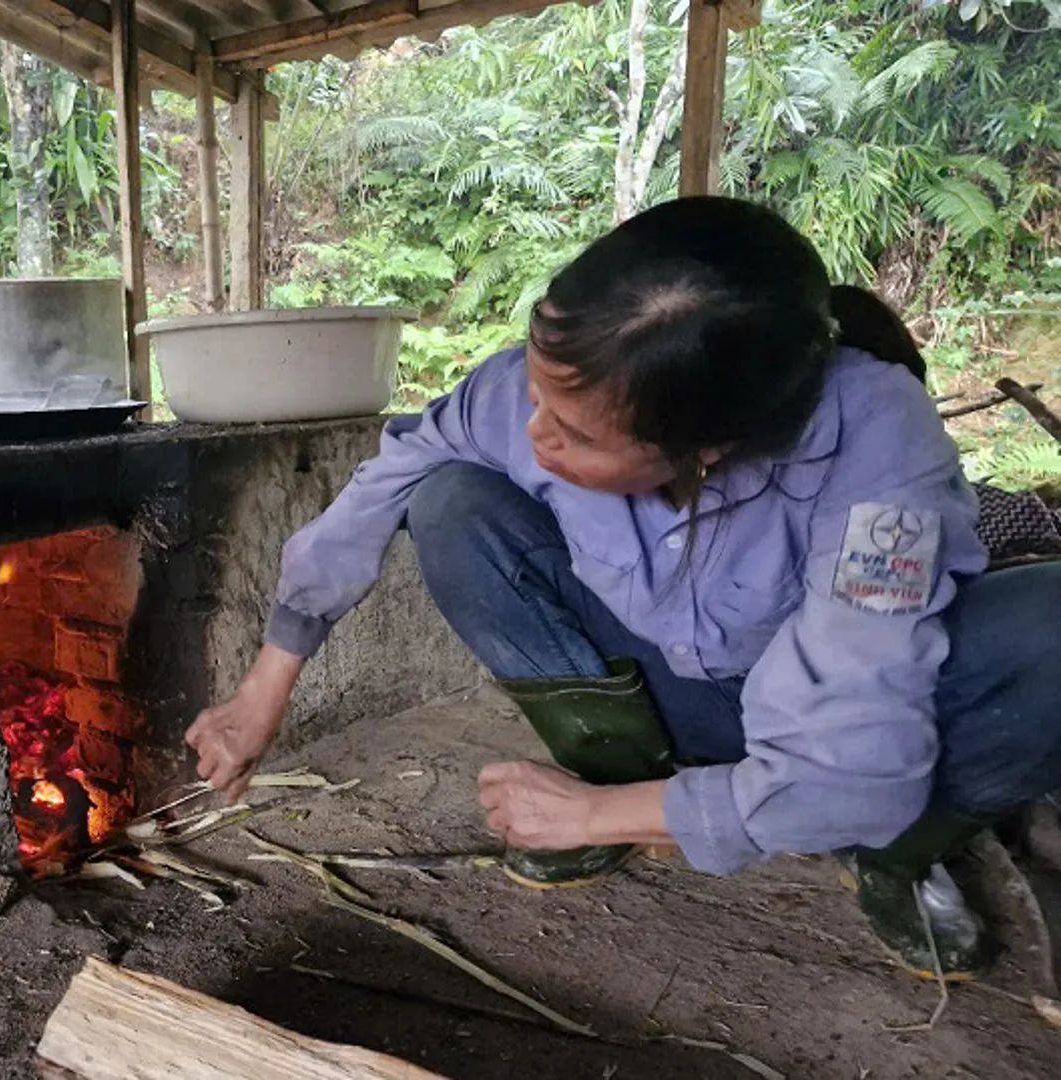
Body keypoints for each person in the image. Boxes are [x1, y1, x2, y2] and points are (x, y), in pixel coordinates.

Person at [185, 196, 1061, 980]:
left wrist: (598, 818)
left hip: (809, 704)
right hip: (667, 679)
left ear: (708, 449)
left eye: (573, 434)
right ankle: (615, 759)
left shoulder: (876, 450)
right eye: (536, 397)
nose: (533, 435)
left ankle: (896, 850)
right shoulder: (574, 379)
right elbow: (397, 472)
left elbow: (848, 767)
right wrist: (268, 684)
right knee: (451, 497)